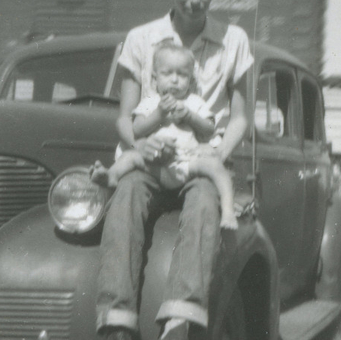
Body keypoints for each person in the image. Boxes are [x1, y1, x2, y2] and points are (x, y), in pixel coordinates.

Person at [96, 0, 253, 340]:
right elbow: (125, 118)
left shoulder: (234, 41)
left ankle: (175, 335)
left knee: (206, 203)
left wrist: (216, 155)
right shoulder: (140, 39)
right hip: (152, 154)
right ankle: (116, 331)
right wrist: (137, 146)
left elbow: (240, 117)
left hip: (200, 159)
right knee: (124, 196)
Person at [92, 42, 238, 229]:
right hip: (154, 165)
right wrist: (159, 115)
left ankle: (227, 211)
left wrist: (189, 116)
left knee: (216, 167)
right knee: (130, 157)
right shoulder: (151, 103)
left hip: (186, 163)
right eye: (167, 74)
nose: (175, 80)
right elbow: (137, 129)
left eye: (182, 75)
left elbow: (209, 129)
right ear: (155, 79)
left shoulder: (195, 102)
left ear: (191, 81)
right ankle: (111, 175)